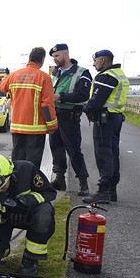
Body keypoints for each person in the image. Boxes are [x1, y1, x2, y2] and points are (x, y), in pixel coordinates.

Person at [0, 153, 57, 276]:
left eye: (2, 186)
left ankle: (30, 259)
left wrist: (27, 201)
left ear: (9, 174)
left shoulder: (27, 170)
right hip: (2, 220)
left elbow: (49, 192)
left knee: (44, 212)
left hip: (28, 215)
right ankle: (1, 250)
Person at [82, 50, 129, 203]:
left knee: (103, 155)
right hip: (115, 118)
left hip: (105, 120)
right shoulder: (119, 73)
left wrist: (84, 108)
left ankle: (103, 191)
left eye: (95, 60)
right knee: (113, 153)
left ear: (102, 60)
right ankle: (111, 190)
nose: (94, 63)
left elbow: (96, 101)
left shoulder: (106, 76)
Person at [0, 47, 57, 169]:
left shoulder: (14, 75)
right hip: (35, 129)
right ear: (42, 60)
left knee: (17, 161)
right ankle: (29, 186)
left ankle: (17, 186)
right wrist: (52, 125)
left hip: (17, 128)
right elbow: (46, 104)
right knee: (32, 164)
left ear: (30, 58)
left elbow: (1, 86)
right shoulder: (44, 77)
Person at [48, 44, 92, 196]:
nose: (55, 59)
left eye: (57, 56)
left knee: (73, 150)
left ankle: (83, 183)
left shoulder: (82, 73)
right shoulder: (55, 73)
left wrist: (61, 97)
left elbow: (84, 95)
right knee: (56, 148)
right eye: (53, 57)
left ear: (65, 54)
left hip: (70, 117)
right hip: (55, 115)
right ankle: (59, 179)